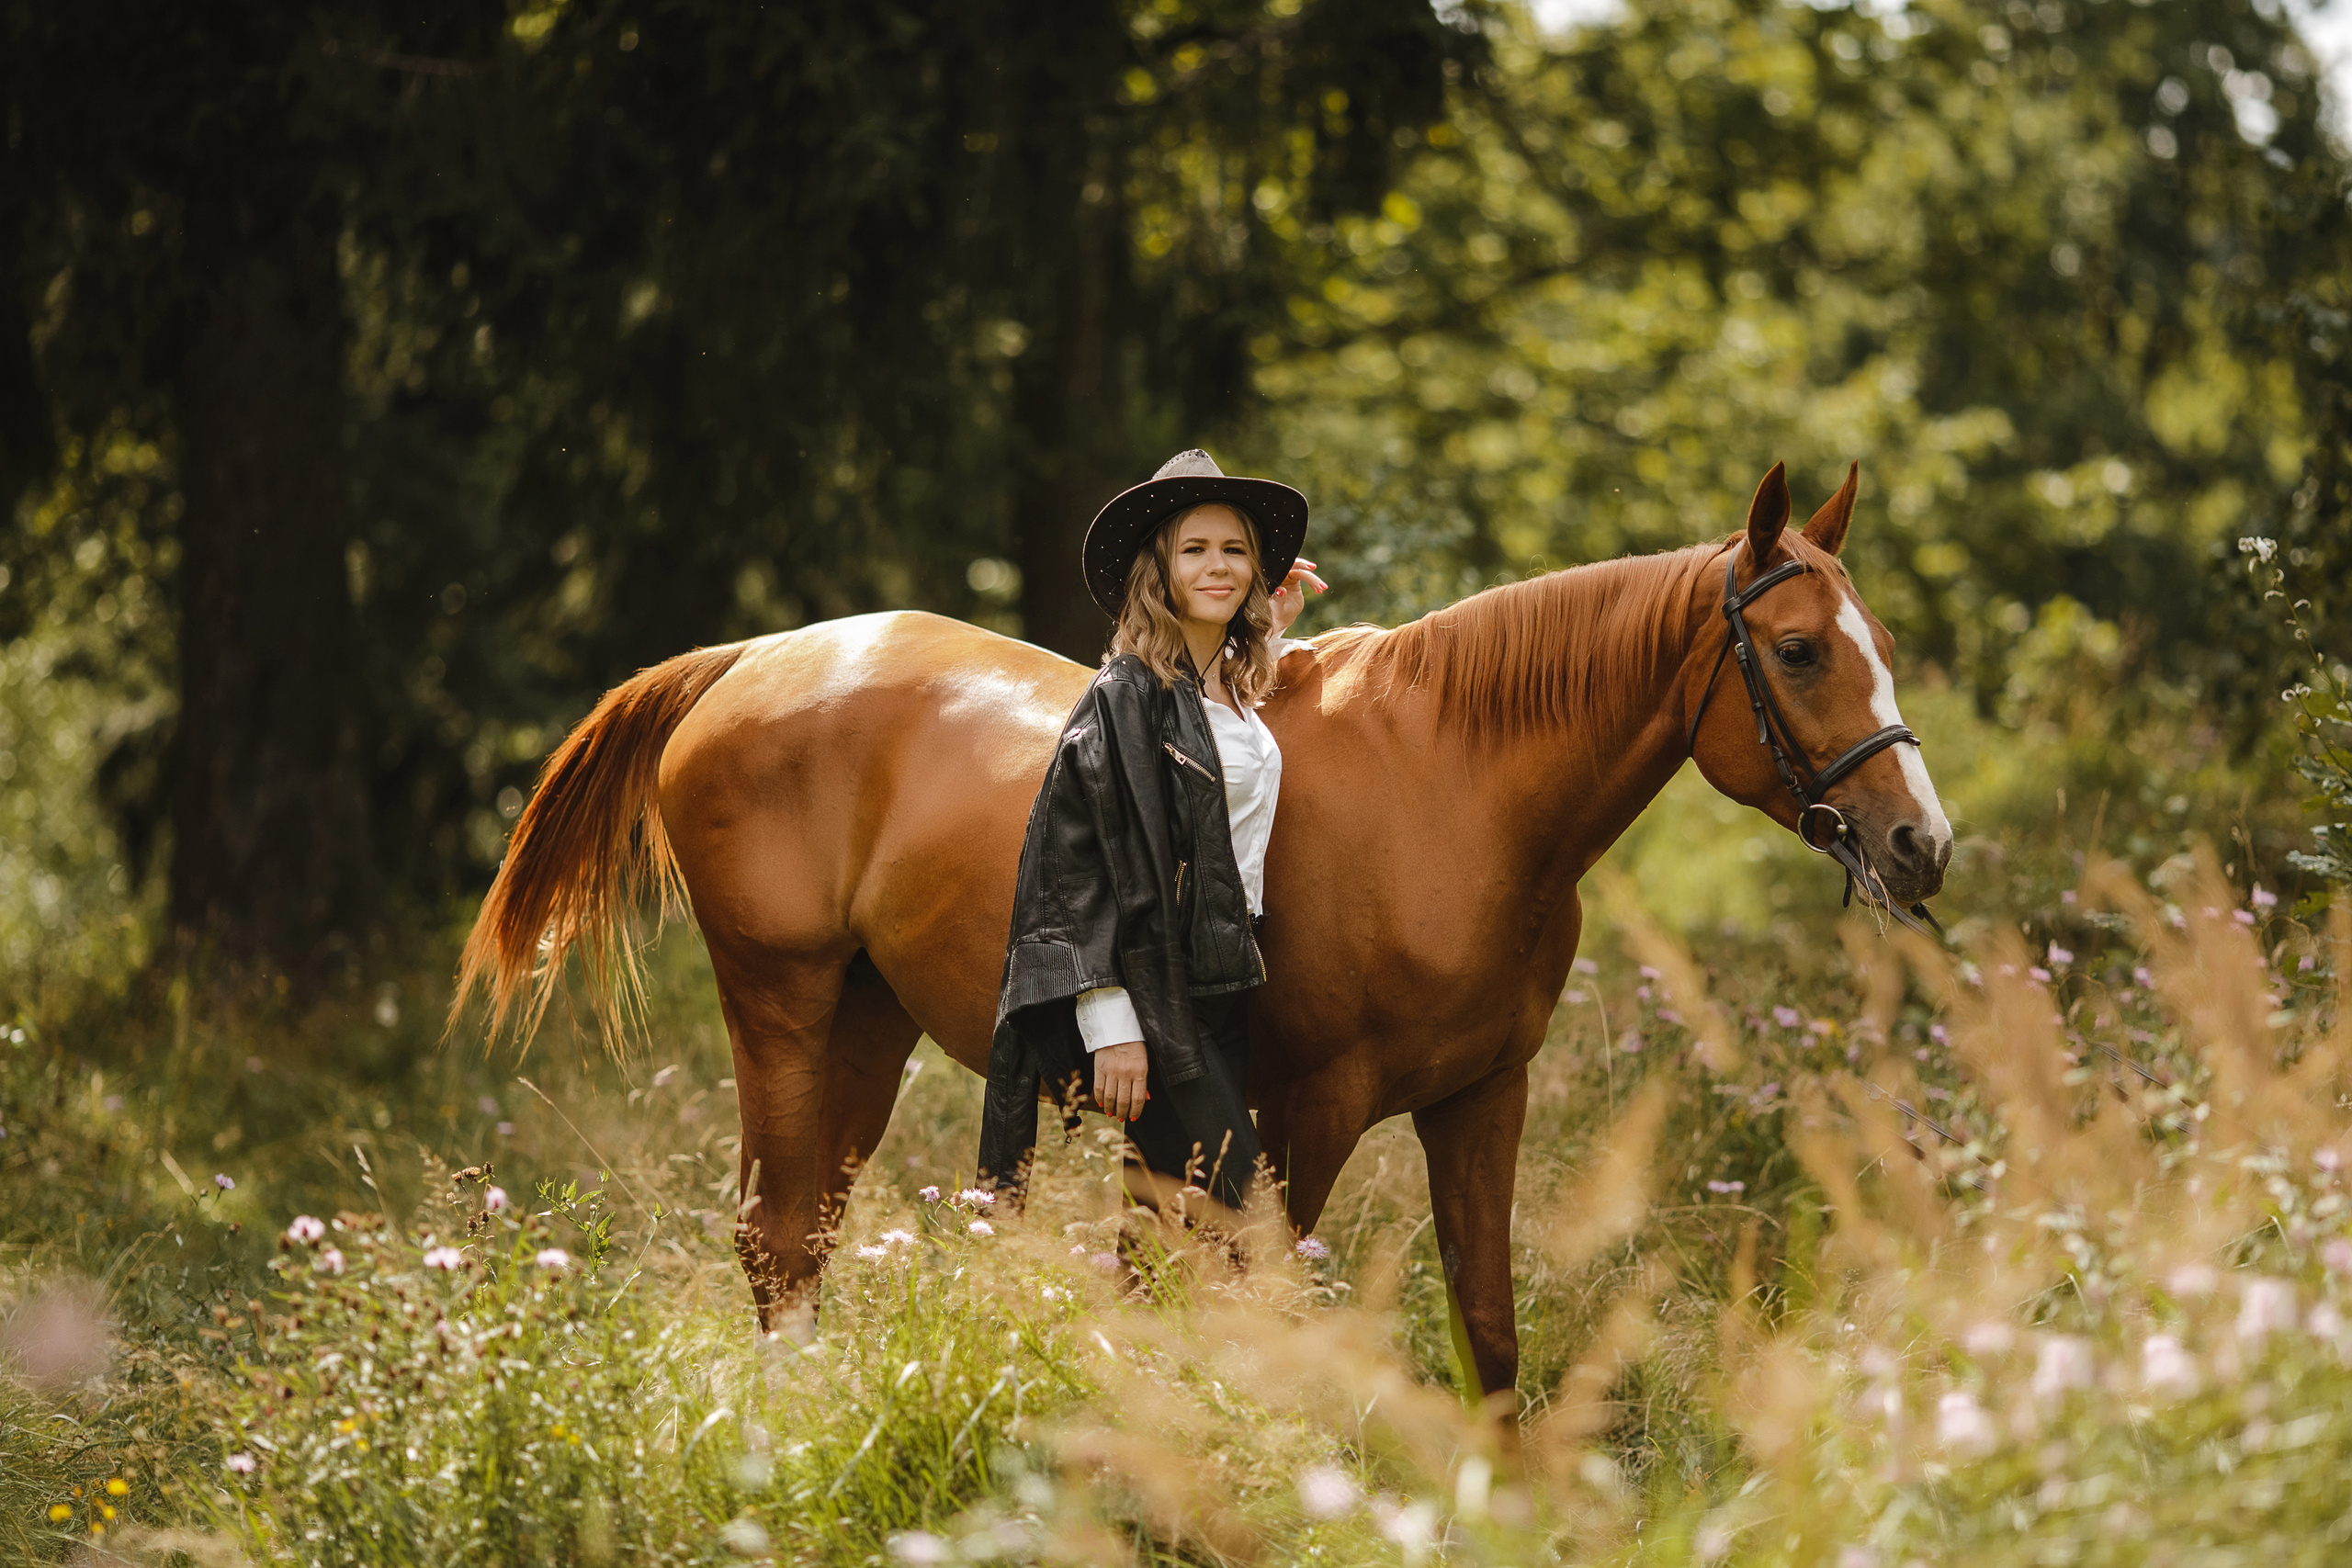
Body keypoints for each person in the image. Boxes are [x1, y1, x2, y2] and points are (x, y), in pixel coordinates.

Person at [974, 449, 1325, 1213]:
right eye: (1194, 550)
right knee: (1246, 1218)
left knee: (1171, 1227)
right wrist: (1113, 1025)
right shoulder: (1124, 695)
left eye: (1236, 550)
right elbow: (1075, 871)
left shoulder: (1228, 692)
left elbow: (1223, 758)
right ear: (1157, 572)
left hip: (1228, 986)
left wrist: (1271, 632)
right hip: (1159, 997)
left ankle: (1143, 1334)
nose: (1219, 566)